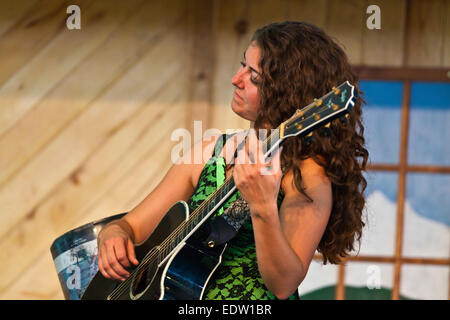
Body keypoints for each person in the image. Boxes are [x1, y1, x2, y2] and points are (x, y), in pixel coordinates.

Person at [96, 21, 369, 300]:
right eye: (242, 65)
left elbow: (284, 283)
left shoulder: (307, 175)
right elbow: (130, 226)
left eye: (253, 76)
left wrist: (263, 206)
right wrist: (112, 235)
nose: (235, 79)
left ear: (286, 92)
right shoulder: (210, 151)